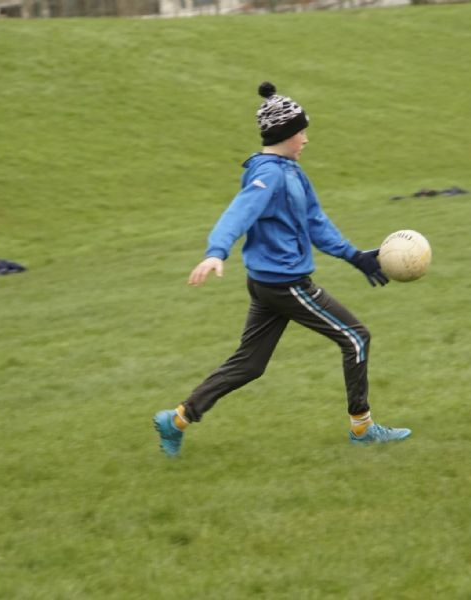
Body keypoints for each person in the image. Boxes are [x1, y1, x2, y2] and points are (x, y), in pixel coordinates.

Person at [153, 82, 411, 457]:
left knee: (250, 364)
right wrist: (216, 252)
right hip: (285, 283)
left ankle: (176, 419)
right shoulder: (268, 176)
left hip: (268, 283)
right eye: (301, 132)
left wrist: (355, 256)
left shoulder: (292, 173)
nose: (305, 139)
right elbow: (238, 214)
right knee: (356, 338)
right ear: (285, 134)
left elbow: (316, 223)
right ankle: (362, 427)